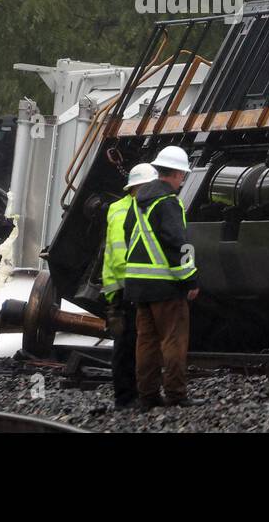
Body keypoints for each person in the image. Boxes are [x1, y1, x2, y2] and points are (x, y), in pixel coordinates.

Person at [123, 146, 201, 409]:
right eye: (183, 175)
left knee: (146, 342)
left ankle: (147, 397)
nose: (182, 181)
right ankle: (177, 395)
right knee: (173, 340)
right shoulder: (168, 202)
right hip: (166, 287)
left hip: (138, 286)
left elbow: (128, 237)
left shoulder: (138, 202)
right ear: (177, 173)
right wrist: (189, 279)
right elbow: (176, 243)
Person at [102, 163, 159, 410]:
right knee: (126, 345)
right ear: (137, 187)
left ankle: (135, 394)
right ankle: (125, 398)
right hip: (125, 289)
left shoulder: (134, 207)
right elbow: (119, 253)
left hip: (128, 286)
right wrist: (133, 286)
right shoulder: (123, 210)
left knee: (135, 342)